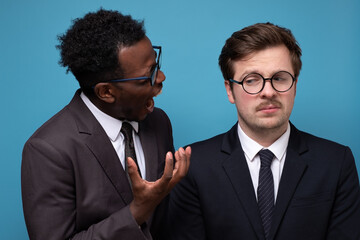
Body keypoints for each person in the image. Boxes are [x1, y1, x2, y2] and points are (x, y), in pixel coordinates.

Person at [167, 22, 360, 240]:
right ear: (230, 90)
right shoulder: (192, 164)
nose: (268, 92)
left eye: (279, 78)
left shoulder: (336, 162)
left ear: (295, 85)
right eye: (252, 80)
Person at [21, 9, 191, 240]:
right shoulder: (48, 149)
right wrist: (137, 210)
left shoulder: (159, 122)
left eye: (156, 65)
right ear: (106, 92)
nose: (160, 77)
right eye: (147, 77)